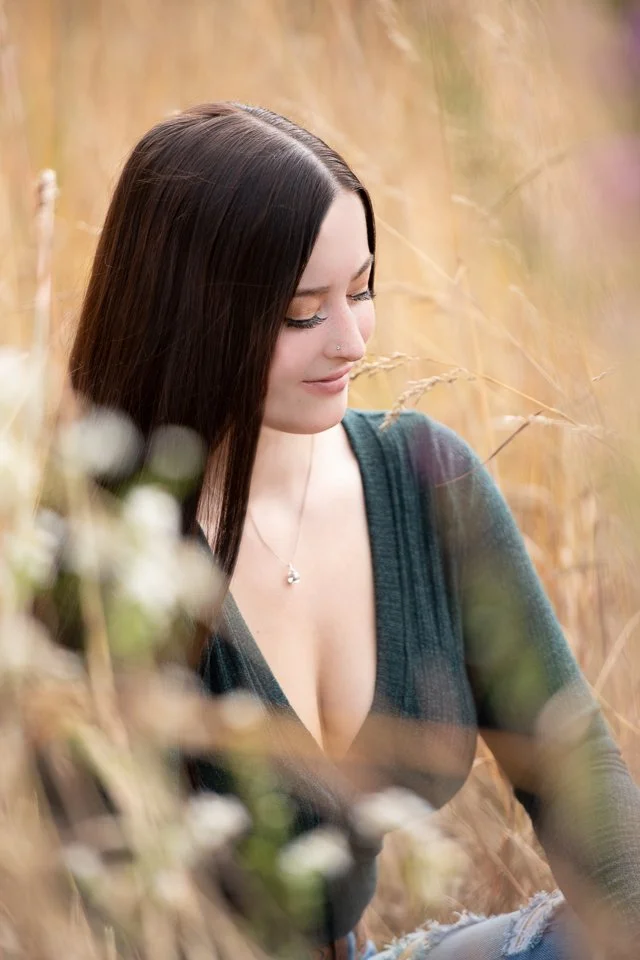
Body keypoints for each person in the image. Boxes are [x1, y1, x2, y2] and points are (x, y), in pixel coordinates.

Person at [67, 101, 640, 959]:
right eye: (303, 311)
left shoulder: (426, 482)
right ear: (190, 314)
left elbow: (578, 781)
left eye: (363, 289)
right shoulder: (97, 551)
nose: (352, 341)